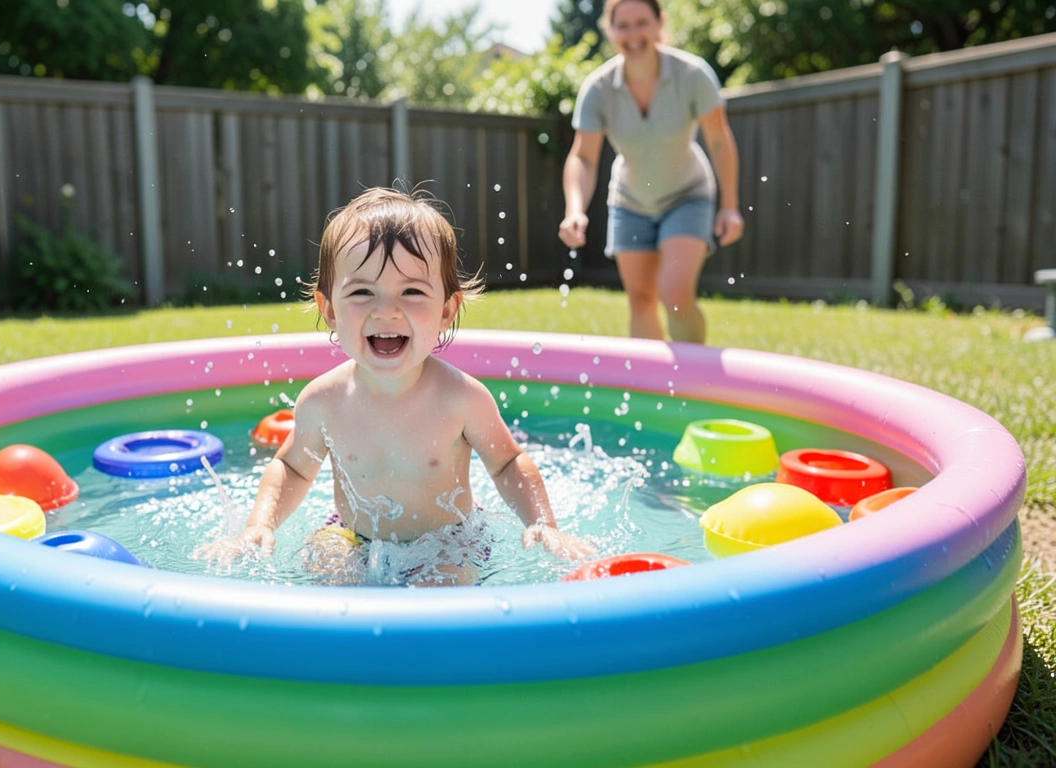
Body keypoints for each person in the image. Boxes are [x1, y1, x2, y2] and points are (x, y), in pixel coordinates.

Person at [195, 187, 595, 585]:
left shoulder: (461, 398)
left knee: (443, 585)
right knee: (327, 570)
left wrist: (544, 523)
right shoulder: (323, 401)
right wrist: (259, 525)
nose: (386, 310)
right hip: (352, 535)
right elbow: (292, 468)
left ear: (446, 310)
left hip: (449, 541)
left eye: (412, 291)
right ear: (330, 310)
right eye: (363, 292)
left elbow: (508, 463)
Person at [558, 0, 744, 344]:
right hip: (630, 200)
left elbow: (719, 140)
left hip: (688, 194)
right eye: (623, 25)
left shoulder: (692, 74)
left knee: (674, 295)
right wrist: (575, 210)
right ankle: (652, 393)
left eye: (641, 22)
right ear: (610, 31)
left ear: (660, 24)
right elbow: (582, 157)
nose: (632, 34)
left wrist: (730, 205)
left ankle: (691, 382)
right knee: (640, 301)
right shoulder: (597, 89)